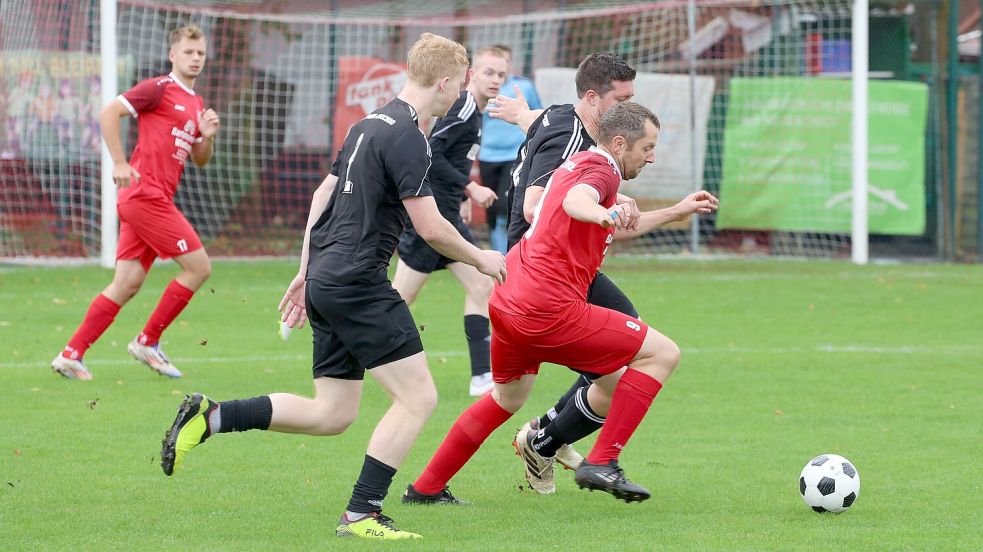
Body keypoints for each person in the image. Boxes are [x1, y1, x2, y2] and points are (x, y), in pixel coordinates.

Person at [158, 33, 507, 541]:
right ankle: (362, 513)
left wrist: (305, 271)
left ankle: (212, 417)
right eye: (461, 84)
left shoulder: (368, 124)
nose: (460, 94)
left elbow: (323, 193)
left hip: (328, 276)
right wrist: (482, 257)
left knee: (333, 413)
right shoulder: (408, 136)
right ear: (445, 81)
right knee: (419, 399)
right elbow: (431, 228)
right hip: (359, 282)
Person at [403, 102, 718, 505]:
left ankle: (426, 488)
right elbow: (577, 203)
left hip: (509, 299)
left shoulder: (578, 161)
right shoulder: (601, 171)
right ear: (620, 143)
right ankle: (602, 460)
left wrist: (674, 212)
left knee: (507, 399)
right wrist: (599, 214)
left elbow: (592, 217)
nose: (651, 156)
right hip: (547, 309)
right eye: (647, 147)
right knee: (662, 354)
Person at [50, 25, 220, 380]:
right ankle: (147, 341)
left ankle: (71, 354)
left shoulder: (195, 103)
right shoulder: (160, 88)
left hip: (148, 200)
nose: (195, 58)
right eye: (188, 52)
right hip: (146, 196)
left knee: (126, 282)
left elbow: (200, 159)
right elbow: (108, 113)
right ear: (173, 54)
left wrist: (206, 136)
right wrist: (119, 162)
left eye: (200, 53)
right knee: (199, 267)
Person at [392, 46, 507, 398]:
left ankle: (480, 376)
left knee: (480, 286)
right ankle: (341, 344)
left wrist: (460, 197)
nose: (495, 80)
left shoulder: (476, 111)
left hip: (447, 213)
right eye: (488, 72)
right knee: (397, 300)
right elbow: (432, 151)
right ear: (471, 75)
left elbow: (452, 159)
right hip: (432, 217)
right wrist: (470, 187)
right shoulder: (465, 106)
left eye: (501, 74)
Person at [477, 44, 542, 254]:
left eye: (502, 68)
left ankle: (509, 256)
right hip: (487, 156)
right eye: (491, 70)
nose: (496, 76)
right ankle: (498, 255)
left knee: (506, 206)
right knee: (492, 211)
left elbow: (537, 116)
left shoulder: (523, 87)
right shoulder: (482, 90)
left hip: (513, 155)